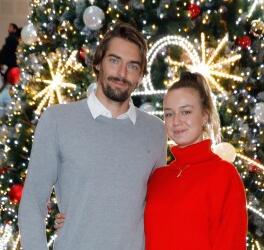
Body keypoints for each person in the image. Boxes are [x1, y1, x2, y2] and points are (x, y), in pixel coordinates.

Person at [55, 72, 248, 249]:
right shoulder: (158, 177)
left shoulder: (223, 175)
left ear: (204, 116)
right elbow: (123, 219)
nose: (176, 121)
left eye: (186, 112)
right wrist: (76, 219)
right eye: (169, 113)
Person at [18, 22, 167, 250]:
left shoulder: (155, 131)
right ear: (98, 63)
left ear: (140, 76)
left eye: (133, 66)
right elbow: (32, 202)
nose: (122, 73)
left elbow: (158, 209)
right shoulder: (58, 121)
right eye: (114, 60)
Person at [0, 23, 19, 93]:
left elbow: (7, 52)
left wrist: (2, 62)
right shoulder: (10, 39)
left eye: (10, 27)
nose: (8, 28)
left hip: (9, 64)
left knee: (7, 81)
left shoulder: (12, 40)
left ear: (14, 30)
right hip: (9, 64)